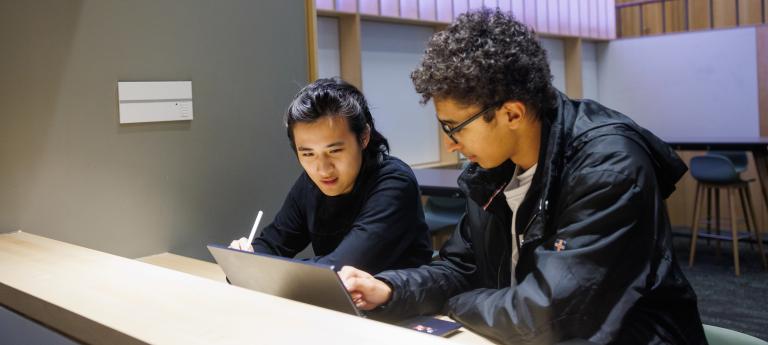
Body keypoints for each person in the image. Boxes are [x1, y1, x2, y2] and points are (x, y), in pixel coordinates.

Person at [339, 9, 707, 344]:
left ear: (512, 114)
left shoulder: (608, 166)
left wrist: (456, 304)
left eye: (454, 127)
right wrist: (390, 288)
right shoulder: (492, 171)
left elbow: (548, 314)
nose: (450, 145)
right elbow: (461, 267)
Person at [230, 77, 432, 274]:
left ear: (363, 137)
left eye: (334, 151)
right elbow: (273, 243)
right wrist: (245, 256)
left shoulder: (394, 182)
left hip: (399, 305)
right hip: (334, 303)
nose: (323, 169)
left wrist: (259, 267)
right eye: (308, 154)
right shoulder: (310, 184)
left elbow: (341, 267)